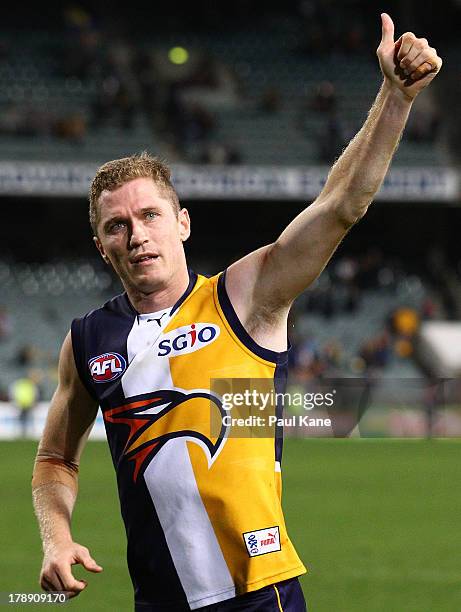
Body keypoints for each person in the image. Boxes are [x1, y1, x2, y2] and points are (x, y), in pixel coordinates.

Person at [32, 14, 441, 612]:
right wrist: (57, 537)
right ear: (102, 245)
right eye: (116, 226)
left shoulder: (244, 297)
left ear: (182, 223)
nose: (137, 235)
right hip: (160, 602)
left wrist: (395, 98)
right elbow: (53, 460)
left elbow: (339, 205)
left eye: (150, 216)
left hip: (260, 596)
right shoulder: (87, 341)